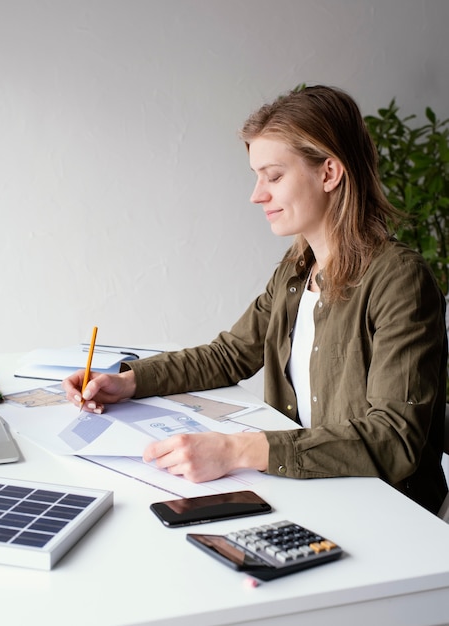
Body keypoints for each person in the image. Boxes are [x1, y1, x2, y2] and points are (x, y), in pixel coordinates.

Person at [63, 85, 448, 515]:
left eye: (274, 175)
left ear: (329, 173)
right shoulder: (297, 269)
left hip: (390, 514)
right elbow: (230, 356)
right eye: (257, 176)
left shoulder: (400, 280)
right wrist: (128, 381)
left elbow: (393, 438)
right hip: (313, 494)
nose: (257, 194)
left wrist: (237, 450)